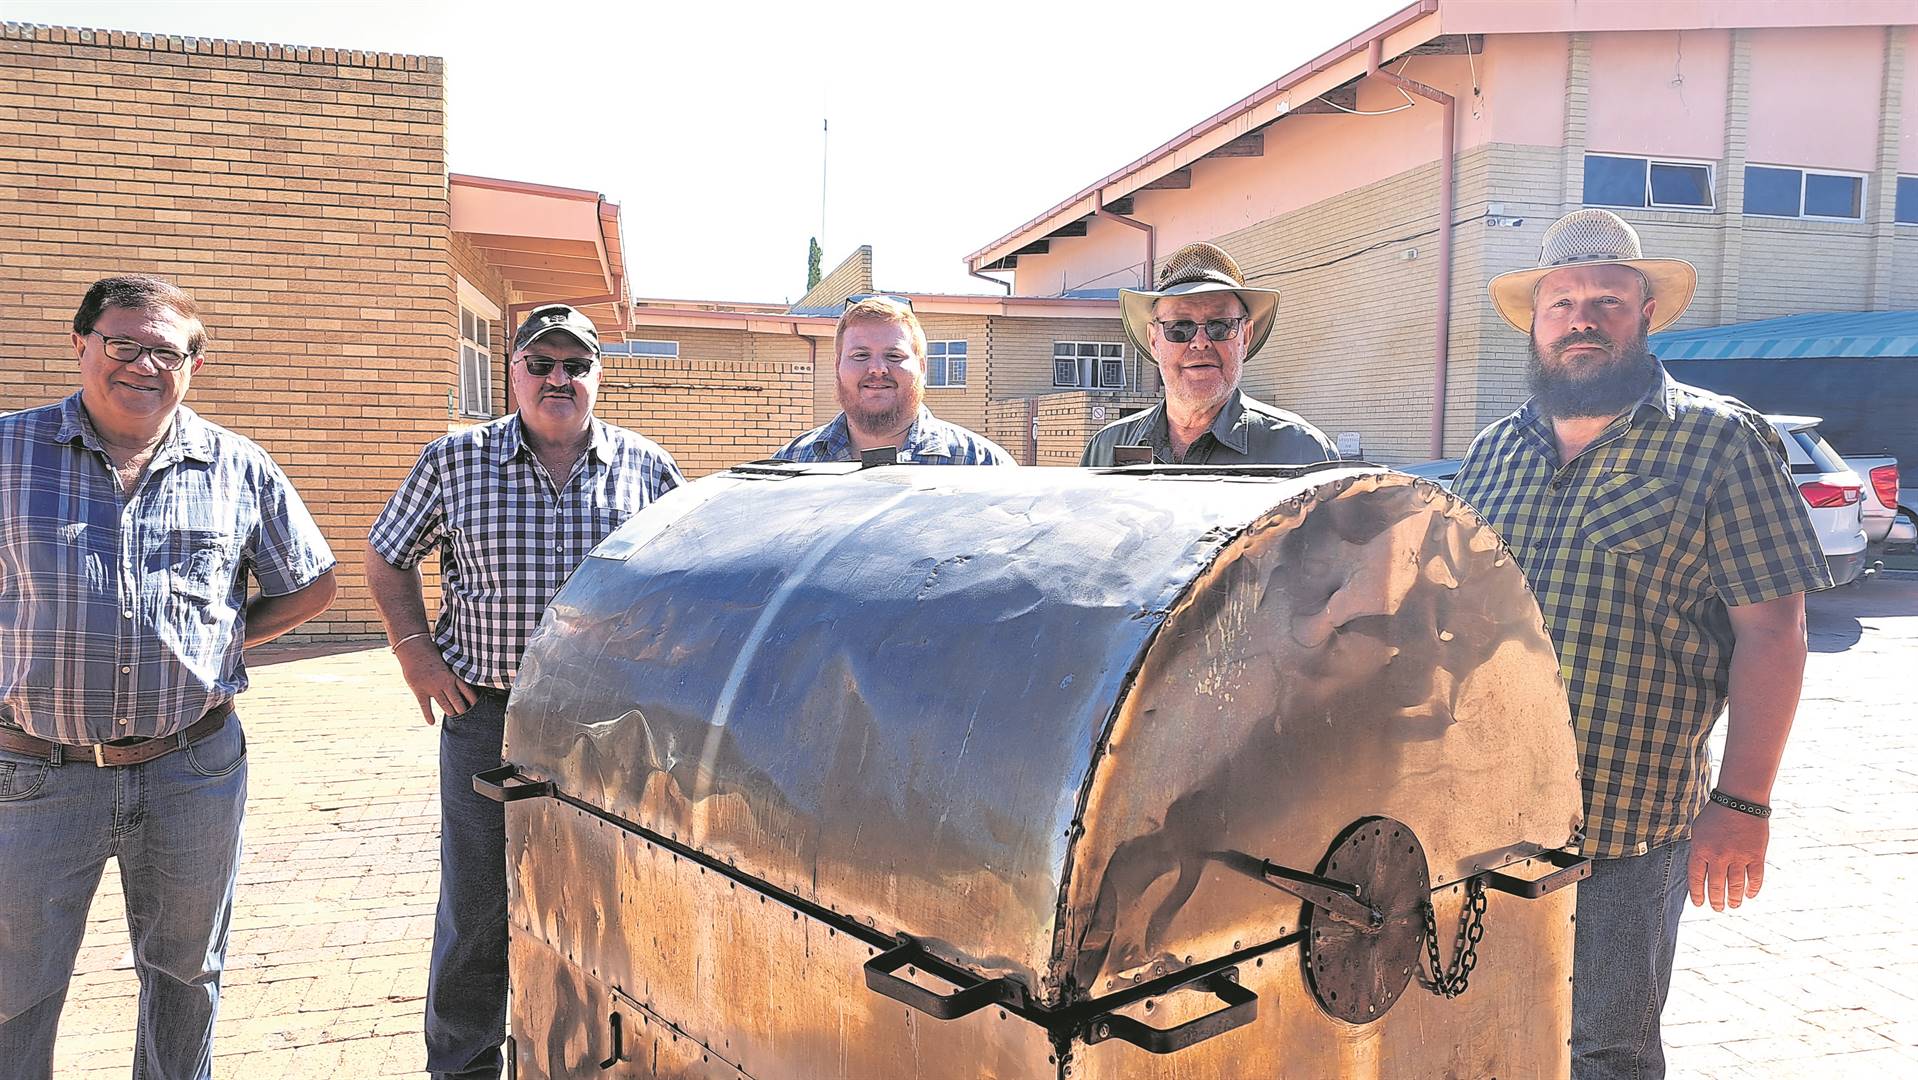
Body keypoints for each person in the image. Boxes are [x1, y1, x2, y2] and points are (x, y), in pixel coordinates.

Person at [1450, 209, 1830, 1079]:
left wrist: (1744, 803)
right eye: (1562, 303)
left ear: (1645, 313)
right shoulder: (1494, 452)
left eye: (1607, 302)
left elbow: (1774, 633)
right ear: (1537, 322)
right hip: (1481, 817)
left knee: (1606, 1048)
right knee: (1487, 1029)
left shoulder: (1721, 440)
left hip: (1624, 826)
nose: (1581, 320)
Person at [0, 275, 338, 1079]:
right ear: (80, 344)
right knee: (15, 986)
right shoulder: (8, 453)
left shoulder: (238, 465)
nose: (144, 365)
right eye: (124, 343)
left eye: (168, 352)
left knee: (187, 975)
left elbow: (312, 583)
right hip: (34, 774)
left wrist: (220, 644)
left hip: (193, 768)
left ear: (193, 365)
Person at [365, 303, 683, 1080]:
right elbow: (387, 554)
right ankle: (464, 1065)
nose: (557, 379)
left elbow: (689, 578)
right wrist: (415, 652)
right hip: (487, 717)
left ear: (598, 375)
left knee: (605, 900)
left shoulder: (647, 468)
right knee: (477, 906)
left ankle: (589, 1059)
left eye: (576, 365)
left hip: (607, 728)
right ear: (513, 373)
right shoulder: (454, 461)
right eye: (540, 364)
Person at [1082, 241, 1335, 466]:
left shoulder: (1302, 452)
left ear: (1245, 337)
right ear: (1154, 341)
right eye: (1180, 327)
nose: (1200, 343)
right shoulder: (1104, 450)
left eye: (1220, 325)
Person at [775, 296, 1014, 464]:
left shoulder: (984, 466)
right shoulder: (790, 465)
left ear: (922, 367)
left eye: (894, 356)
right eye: (860, 355)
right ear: (837, 366)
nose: (878, 369)